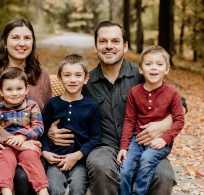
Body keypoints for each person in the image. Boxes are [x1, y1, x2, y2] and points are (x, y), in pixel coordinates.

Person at [47, 21, 187, 195]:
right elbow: (66, 107)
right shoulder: (86, 82)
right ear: (96, 46)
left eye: (115, 41)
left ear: (125, 46)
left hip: (143, 143)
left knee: (164, 175)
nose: (109, 46)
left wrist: (164, 124)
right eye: (103, 41)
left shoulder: (143, 72)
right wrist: (50, 132)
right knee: (100, 166)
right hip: (103, 146)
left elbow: (180, 102)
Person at [0, 18, 52, 195]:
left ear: (33, 42)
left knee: (24, 178)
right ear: (5, 42)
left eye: (27, 38)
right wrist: (12, 141)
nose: (22, 43)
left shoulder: (41, 73)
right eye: (15, 37)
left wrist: (44, 134)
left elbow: (47, 113)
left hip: (31, 145)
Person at [117, 46, 185, 195]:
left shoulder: (172, 92)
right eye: (148, 64)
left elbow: (179, 120)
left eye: (159, 64)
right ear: (140, 69)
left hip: (161, 141)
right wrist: (124, 146)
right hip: (137, 139)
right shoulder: (134, 92)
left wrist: (165, 139)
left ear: (167, 69)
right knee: (125, 167)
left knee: (147, 160)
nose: (154, 68)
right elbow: (129, 120)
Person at [41, 54, 101, 195]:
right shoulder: (53, 104)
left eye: (78, 75)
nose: (73, 80)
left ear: (86, 79)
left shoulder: (91, 106)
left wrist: (79, 155)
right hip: (55, 160)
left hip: (79, 161)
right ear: (59, 78)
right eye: (67, 75)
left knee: (78, 189)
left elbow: (95, 137)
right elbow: (42, 131)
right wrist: (45, 152)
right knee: (54, 189)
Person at [0, 67, 48, 195]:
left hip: (27, 145)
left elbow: (39, 127)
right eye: (9, 89)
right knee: (5, 160)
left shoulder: (32, 106)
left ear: (27, 88)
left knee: (31, 159)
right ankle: (6, 191)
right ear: (1, 91)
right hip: (6, 146)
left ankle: (42, 190)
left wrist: (23, 136)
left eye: (19, 89)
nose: (15, 93)